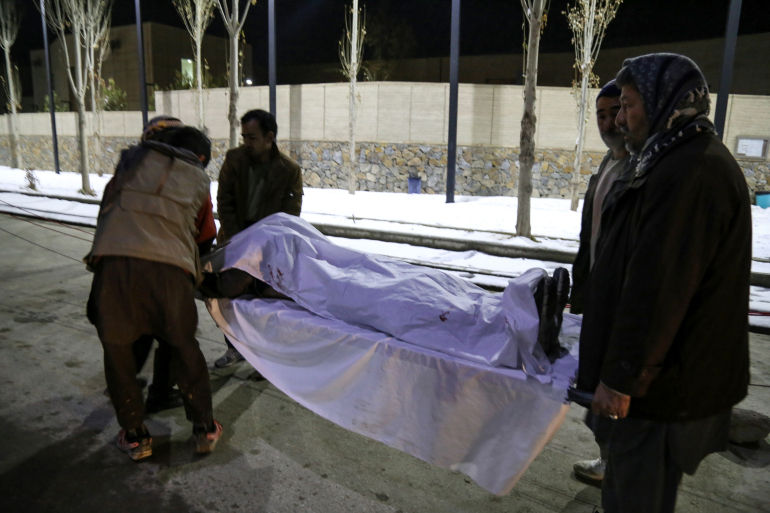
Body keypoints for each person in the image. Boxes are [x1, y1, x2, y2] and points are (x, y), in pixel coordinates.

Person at [575, 53, 751, 512]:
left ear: (663, 101)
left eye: (630, 104)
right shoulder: (671, 159)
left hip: (659, 390)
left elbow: (658, 290)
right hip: (658, 381)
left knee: (637, 497)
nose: (622, 117)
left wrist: (621, 379)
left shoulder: (689, 172)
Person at [85, 125, 223, 461]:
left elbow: (107, 213)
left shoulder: (129, 165)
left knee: (118, 355)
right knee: (182, 347)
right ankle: (204, 429)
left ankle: (136, 438)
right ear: (200, 157)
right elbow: (205, 236)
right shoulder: (197, 180)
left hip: (115, 270)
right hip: (169, 273)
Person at [570, 80, 630, 484]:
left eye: (616, 113)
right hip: (598, 295)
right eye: (602, 115)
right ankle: (609, 458)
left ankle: (618, 466)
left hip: (619, 303)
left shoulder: (638, 168)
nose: (609, 122)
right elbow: (589, 236)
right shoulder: (609, 164)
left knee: (612, 387)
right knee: (594, 383)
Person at [213, 108, 304, 368]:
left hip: (269, 246)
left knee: (264, 303)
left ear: (269, 137)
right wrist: (238, 240)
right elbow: (224, 200)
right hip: (234, 241)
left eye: (252, 137)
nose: (246, 143)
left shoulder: (289, 170)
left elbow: (290, 214)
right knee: (228, 298)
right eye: (244, 137)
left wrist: (266, 244)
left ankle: (263, 359)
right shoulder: (234, 160)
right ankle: (234, 347)